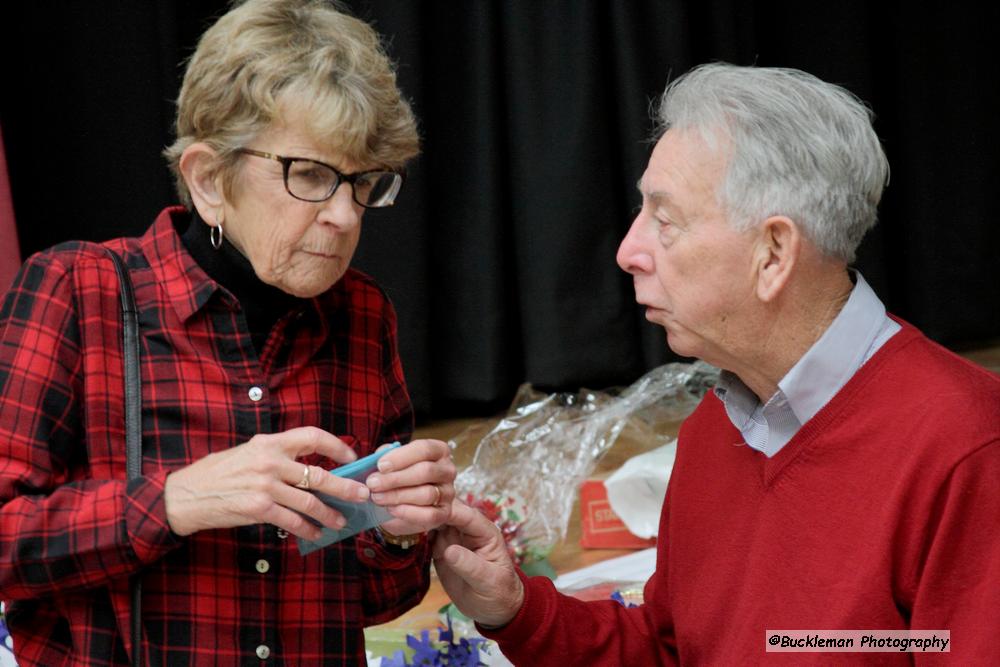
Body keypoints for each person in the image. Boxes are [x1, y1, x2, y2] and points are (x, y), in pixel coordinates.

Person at [433, 63, 1000, 664]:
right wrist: (516, 609)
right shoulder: (717, 429)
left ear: (774, 253)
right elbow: (672, 650)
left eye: (665, 220)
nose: (629, 251)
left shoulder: (966, 447)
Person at [0, 1, 456, 664]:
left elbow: (380, 598)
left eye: (362, 183)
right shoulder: (78, 291)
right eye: (309, 175)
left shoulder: (364, 315)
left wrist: (399, 534)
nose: (344, 215)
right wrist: (177, 499)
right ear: (210, 180)